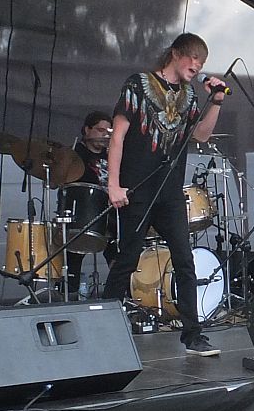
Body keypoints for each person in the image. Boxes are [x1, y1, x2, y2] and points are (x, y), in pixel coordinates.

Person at [102, 33, 227, 357]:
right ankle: (103, 327)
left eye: (202, 61)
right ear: (175, 54)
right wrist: (113, 184)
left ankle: (193, 336)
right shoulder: (138, 85)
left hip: (170, 192)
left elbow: (201, 135)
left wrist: (215, 102)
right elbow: (117, 137)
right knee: (127, 259)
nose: (197, 65)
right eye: (193, 58)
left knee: (185, 260)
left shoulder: (189, 95)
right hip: (137, 188)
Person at [62, 111, 115, 295]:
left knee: (120, 252)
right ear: (87, 130)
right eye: (100, 130)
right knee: (73, 253)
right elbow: (60, 181)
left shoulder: (113, 154)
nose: (105, 135)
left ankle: (121, 295)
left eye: (109, 132)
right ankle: (70, 294)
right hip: (83, 211)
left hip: (111, 212)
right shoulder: (75, 154)